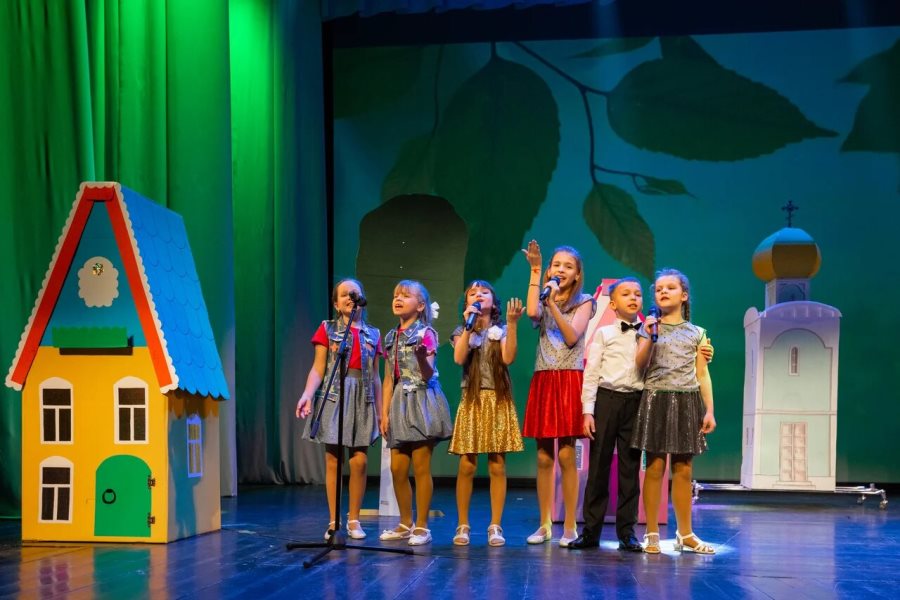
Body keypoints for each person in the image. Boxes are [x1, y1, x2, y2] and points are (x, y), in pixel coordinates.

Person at [569, 277, 713, 551]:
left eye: (637, 294)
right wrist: (588, 410)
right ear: (613, 304)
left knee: (630, 470)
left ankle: (628, 533)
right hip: (608, 399)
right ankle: (591, 532)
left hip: (638, 399)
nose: (633, 298)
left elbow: (683, 363)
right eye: (626, 294)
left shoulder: (655, 329)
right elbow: (592, 373)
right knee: (598, 468)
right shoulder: (608, 333)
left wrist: (704, 352)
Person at [633, 268, 716, 554]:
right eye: (658, 289)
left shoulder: (697, 333)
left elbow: (702, 373)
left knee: (684, 468)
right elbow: (640, 364)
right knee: (655, 467)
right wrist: (650, 335)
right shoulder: (647, 327)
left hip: (687, 401)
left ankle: (686, 533)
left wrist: (709, 410)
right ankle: (651, 532)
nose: (663, 292)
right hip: (656, 398)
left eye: (670, 287)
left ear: (684, 295)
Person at [522, 241, 596, 547]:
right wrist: (535, 271)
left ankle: (569, 525)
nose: (561, 270)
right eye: (556, 265)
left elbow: (571, 336)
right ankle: (544, 523)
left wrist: (552, 303)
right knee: (543, 456)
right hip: (544, 378)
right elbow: (531, 312)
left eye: (568, 266)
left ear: (577, 274)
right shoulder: (544, 294)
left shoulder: (585, 301)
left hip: (568, 379)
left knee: (566, 454)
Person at [296, 278, 382, 541]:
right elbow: (318, 368)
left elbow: (376, 376)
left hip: (362, 396)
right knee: (333, 459)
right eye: (344, 294)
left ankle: (354, 519)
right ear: (336, 303)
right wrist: (307, 394)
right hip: (334, 394)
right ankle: (334, 520)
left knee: (360, 459)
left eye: (354, 293)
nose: (349, 298)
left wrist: (381, 412)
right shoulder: (328, 328)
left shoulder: (373, 334)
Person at [448, 280, 525, 547]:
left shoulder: (500, 330)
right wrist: (469, 326)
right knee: (467, 464)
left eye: (484, 292)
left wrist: (512, 325)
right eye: (473, 293)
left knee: (497, 464)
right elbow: (459, 358)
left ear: (494, 301)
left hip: (497, 398)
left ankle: (495, 525)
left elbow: (508, 358)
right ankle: (463, 524)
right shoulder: (462, 331)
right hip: (472, 399)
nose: (479, 295)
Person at [378, 280, 453, 546]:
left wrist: (421, 357)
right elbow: (389, 378)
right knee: (398, 469)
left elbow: (428, 374)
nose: (398, 299)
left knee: (421, 466)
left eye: (405, 296)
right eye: (396, 295)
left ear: (420, 305)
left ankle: (422, 526)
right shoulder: (390, 336)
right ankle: (404, 523)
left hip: (422, 399)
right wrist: (384, 413)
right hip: (399, 402)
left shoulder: (426, 333)